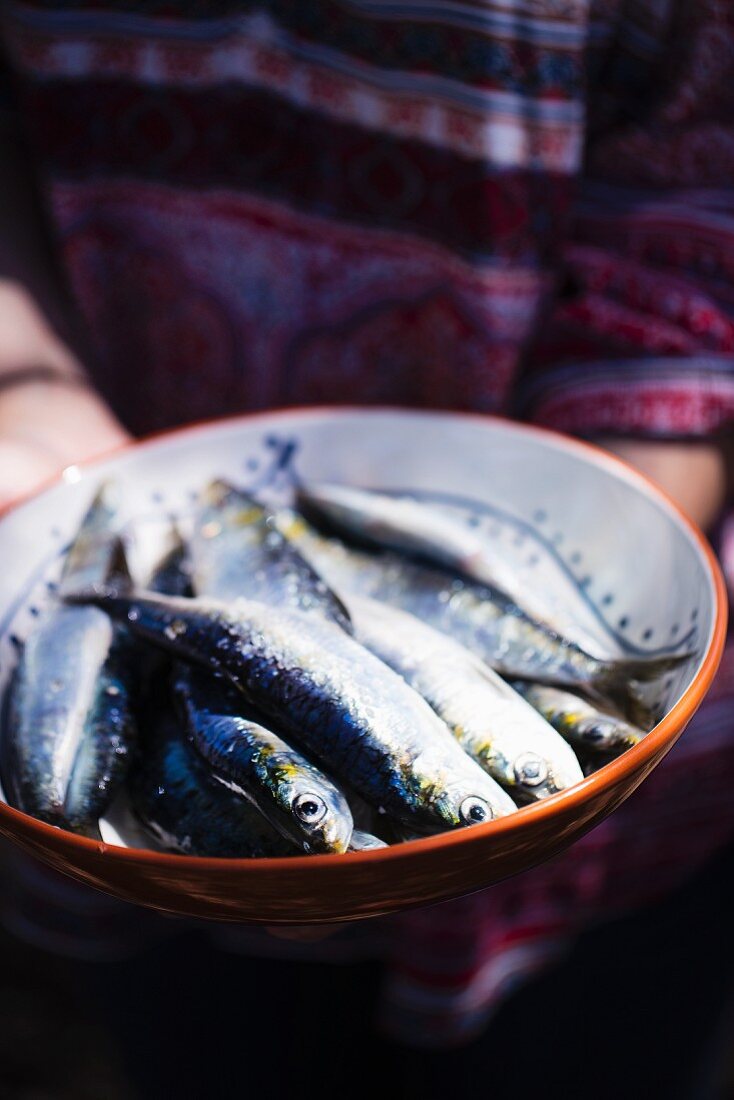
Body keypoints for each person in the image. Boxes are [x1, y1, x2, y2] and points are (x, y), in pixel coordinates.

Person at [0, 3, 732, 1097]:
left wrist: (613, 529)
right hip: (151, 886)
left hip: (607, 855)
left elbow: (701, 195)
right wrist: (24, 398)